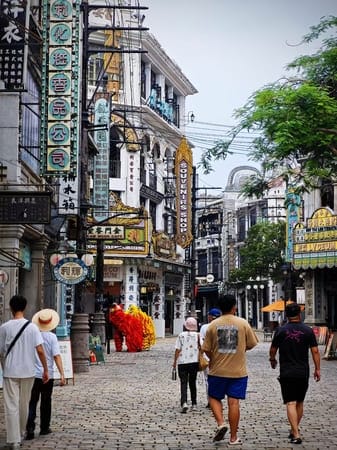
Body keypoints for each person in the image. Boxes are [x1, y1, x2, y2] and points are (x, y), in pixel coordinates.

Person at [202, 294, 258, 444]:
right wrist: (240, 349)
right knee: (234, 403)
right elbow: (252, 343)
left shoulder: (213, 325)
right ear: (234, 307)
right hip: (238, 371)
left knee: (213, 397)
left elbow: (205, 348)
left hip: (217, 370)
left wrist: (213, 358)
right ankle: (233, 437)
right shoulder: (243, 323)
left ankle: (221, 423)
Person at [0, 295, 49, 450]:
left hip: (10, 371)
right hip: (28, 371)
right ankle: (20, 433)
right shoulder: (32, 327)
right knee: (24, 404)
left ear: (11, 307)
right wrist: (46, 369)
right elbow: (40, 350)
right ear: (25, 307)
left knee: (11, 405)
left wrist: (3, 366)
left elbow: (0, 351)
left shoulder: (4, 327)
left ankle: (13, 440)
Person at [269, 302, 321, 445]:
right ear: (299, 314)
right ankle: (294, 430)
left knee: (290, 402)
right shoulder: (308, 330)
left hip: (287, 372)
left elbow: (273, 349)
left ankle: (295, 433)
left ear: (286, 315)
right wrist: (317, 368)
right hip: (302, 371)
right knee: (299, 402)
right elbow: (315, 351)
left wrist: (272, 360)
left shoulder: (280, 330)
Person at [26, 308, 66, 439]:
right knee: (46, 401)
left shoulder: (32, 336)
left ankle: (30, 428)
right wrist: (62, 374)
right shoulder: (52, 337)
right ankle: (44, 427)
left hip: (33, 374)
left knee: (32, 402)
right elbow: (57, 356)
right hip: (47, 374)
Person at [172, 317, 199, 413]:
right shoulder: (198, 336)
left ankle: (184, 402)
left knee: (183, 383)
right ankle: (194, 403)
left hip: (183, 362)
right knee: (193, 382)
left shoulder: (181, 335)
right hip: (194, 362)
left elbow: (177, 349)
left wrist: (175, 362)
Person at [199, 308, 221, 408]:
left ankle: (211, 400)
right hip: (221, 358)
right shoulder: (223, 326)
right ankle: (218, 399)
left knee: (208, 379)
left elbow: (202, 343)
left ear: (210, 317)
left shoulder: (204, 327)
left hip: (207, 357)